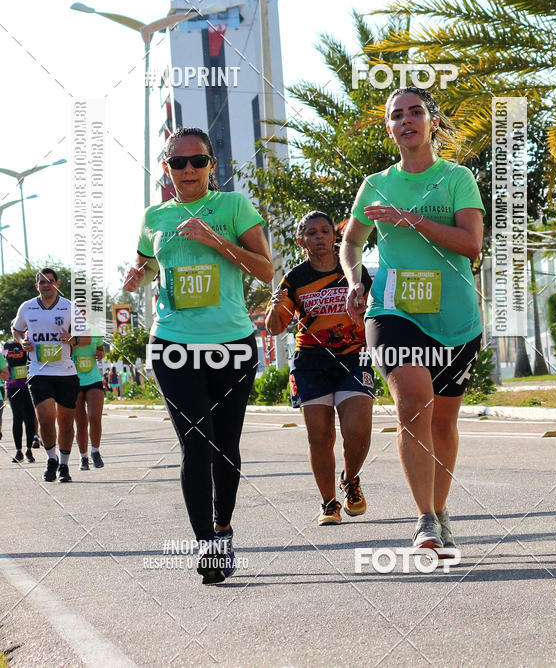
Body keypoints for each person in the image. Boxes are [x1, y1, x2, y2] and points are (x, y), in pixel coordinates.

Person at [123, 127, 273, 585]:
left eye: (198, 161)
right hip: (173, 343)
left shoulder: (233, 207)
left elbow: (266, 270)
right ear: (166, 168)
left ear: (212, 165)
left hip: (230, 343)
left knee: (225, 446)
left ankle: (223, 529)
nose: (188, 170)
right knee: (195, 441)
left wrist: (215, 241)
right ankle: (206, 544)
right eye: (178, 162)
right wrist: (137, 276)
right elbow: (148, 264)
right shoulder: (154, 216)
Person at [340, 87, 484, 552]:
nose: (407, 121)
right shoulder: (376, 183)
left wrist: (411, 220)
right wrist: (354, 280)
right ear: (389, 128)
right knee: (413, 404)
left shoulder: (457, 178)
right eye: (396, 115)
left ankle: (440, 512)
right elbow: (351, 242)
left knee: (442, 422)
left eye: (416, 112)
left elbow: (470, 244)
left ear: (431, 122)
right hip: (393, 310)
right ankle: (424, 519)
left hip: (456, 319)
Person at [266, 211, 374, 525]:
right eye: (311, 233)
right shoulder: (295, 279)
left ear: (334, 236)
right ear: (302, 240)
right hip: (310, 360)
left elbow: (374, 309)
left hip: (354, 356)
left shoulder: (355, 271)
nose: (319, 237)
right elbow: (275, 327)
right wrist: (276, 306)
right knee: (320, 436)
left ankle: (351, 479)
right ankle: (329, 504)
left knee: (357, 431)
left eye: (325, 231)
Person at [12, 268, 90, 483]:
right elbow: (16, 330)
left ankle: (64, 465)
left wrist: (72, 340)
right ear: (37, 286)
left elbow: (86, 338)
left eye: (50, 281)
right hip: (39, 371)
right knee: (46, 418)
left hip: (66, 372)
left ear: (58, 284)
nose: (46, 285)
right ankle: (51, 458)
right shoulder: (27, 307)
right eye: (42, 282)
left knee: (66, 422)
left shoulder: (70, 307)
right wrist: (22, 342)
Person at [73, 330, 106, 470]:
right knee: (81, 423)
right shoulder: (67, 329)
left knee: (95, 417)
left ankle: (95, 451)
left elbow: (100, 349)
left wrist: (101, 354)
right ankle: (83, 457)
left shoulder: (95, 329)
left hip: (94, 379)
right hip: (73, 380)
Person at [2, 339, 36, 463]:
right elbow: (4, 363)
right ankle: (18, 451)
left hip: (28, 385)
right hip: (12, 386)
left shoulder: (28, 342)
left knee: (30, 417)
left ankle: (29, 450)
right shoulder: (6, 346)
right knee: (18, 417)